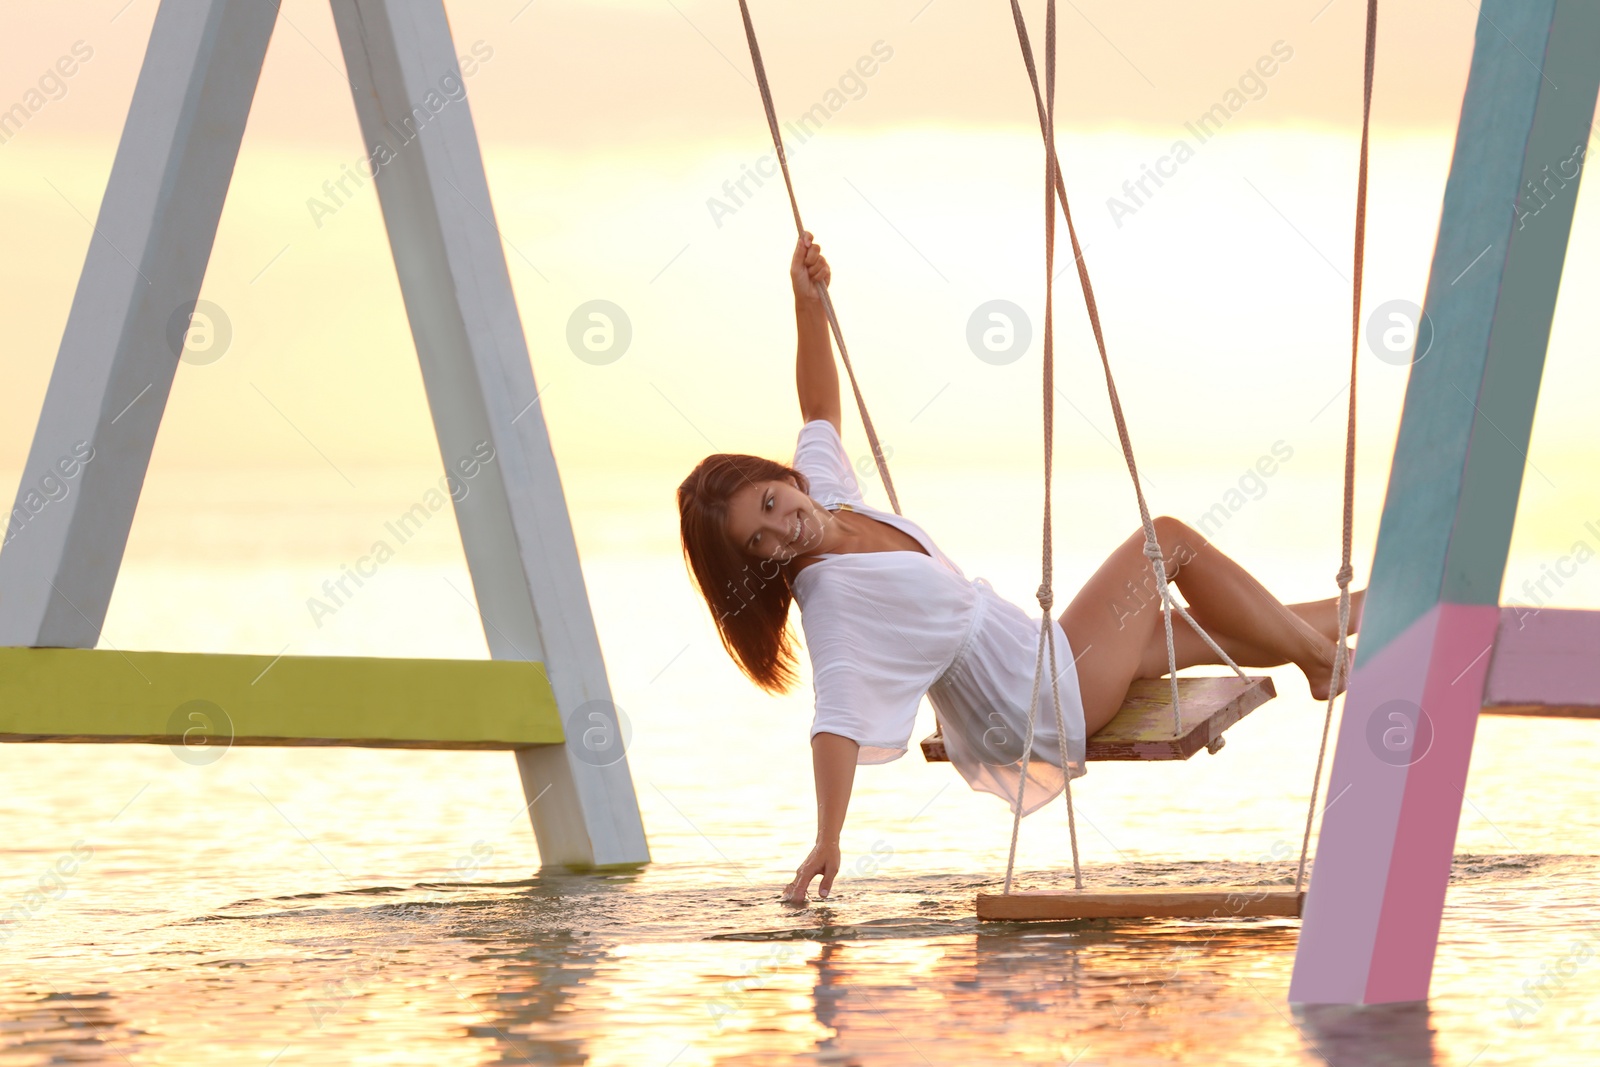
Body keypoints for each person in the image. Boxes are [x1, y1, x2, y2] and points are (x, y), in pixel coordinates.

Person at [676, 232, 1364, 906]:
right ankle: (1323, 661)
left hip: (1043, 657)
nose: (781, 528)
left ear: (781, 477)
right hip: (1041, 695)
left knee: (1194, 625)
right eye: (759, 543)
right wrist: (828, 835)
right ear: (760, 566)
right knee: (1169, 539)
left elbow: (820, 407)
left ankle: (1366, 611)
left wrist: (805, 303)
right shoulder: (828, 593)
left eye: (770, 503)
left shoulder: (826, 496)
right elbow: (837, 716)